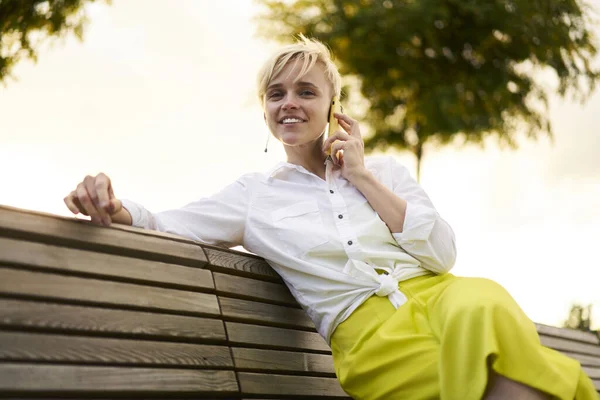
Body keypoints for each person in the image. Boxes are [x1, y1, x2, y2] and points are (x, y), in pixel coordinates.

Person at [64, 35, 598, 400]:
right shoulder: (255, 196)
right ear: (265, 110)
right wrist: (113, 205)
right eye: (276, 94)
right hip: (366, 336)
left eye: (305, 91)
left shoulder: (383, 169)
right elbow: (165, 222)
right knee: (499, 374)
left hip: (439, 294)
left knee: (482, 300)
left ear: (333, 106)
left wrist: (362, 176)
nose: (289, 103)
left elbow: (443, 253)